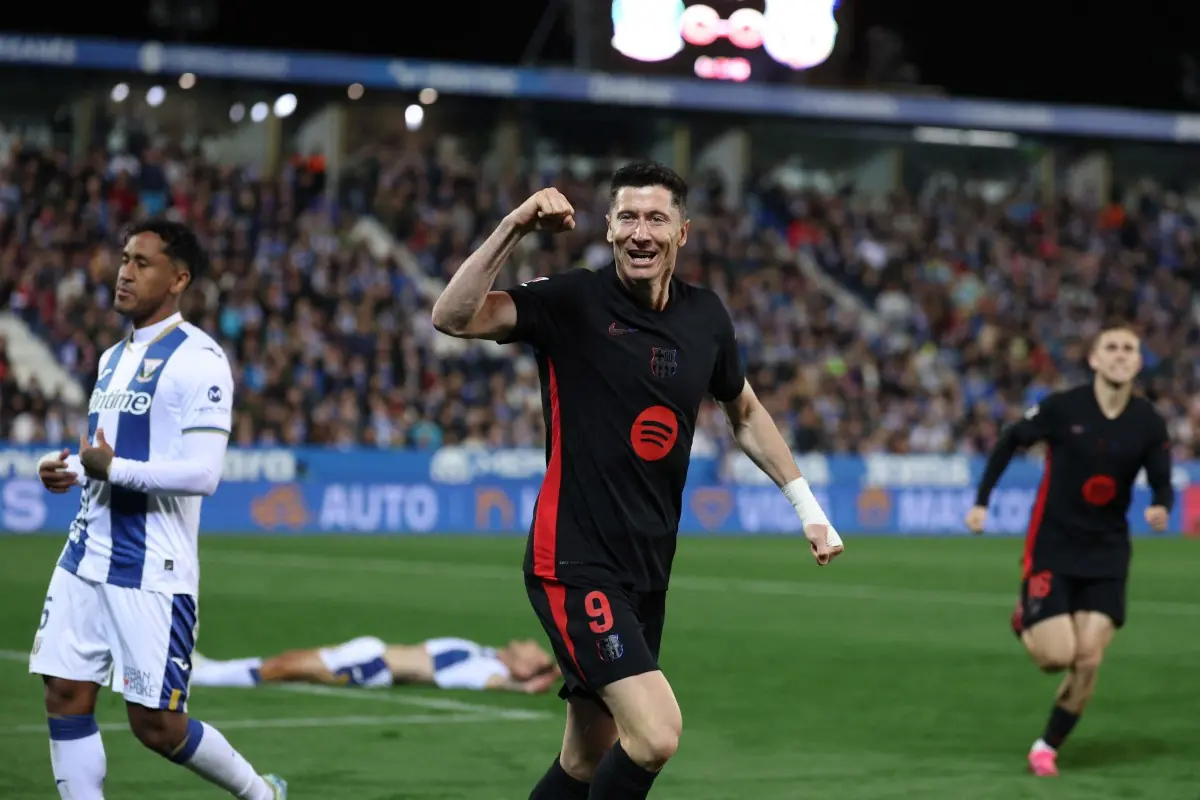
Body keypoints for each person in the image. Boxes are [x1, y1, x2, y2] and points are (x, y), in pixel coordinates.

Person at [431, 161, 844, 800]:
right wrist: (515, 225)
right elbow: (453, 317)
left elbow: (744, 412)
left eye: (655, 218)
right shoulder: (572, 300)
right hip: (574, 561)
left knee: (584, 759)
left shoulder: (705, 318)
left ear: (682, 231)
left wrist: (807, 506)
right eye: (627, 217)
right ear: (609, 227)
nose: (640, 232)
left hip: (646, 570)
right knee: (654, 735)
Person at [31, 220, 287, 800]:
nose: (124, 272)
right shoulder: (110, 358)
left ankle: (260, 794)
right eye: (124, 258)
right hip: (85, 553)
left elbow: (203, 474)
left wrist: (111, 469)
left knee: (158, 726)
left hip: (151, 569)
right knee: (64, 694)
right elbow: (106, 456)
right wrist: (69, 470)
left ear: (178, 279)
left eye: (142, 263)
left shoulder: (200, 359)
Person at [965, 321, 1173, 778]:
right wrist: (981, 501)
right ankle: (1024, 617)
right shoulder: (1063, 408)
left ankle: (1046, 747)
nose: (1120, 354)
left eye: (1129, 348)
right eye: (1111, 347)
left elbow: (1162, 479)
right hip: (1054, 546)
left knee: (1089, 658)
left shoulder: (1148, 422)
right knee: (1056, 657)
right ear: (1095, 359)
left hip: (1107, 552)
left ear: (1139, 362)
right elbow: (1010, 439)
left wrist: (1161, 506)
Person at [189, 635, 561, 694]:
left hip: (374, 667)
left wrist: (531, 684)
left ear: (524, 668)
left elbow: (498, 683)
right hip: (371, 650)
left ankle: (205, 676)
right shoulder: (485, 653)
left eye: (535, 653)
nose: (530, 643)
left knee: (282, 669)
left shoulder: (482, 669)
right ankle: (210, 668)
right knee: (285, 661)